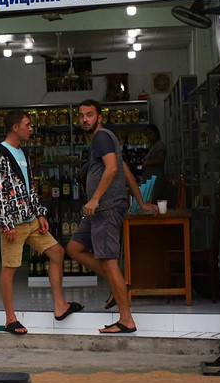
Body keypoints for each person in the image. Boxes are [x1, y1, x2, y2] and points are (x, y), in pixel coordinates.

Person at [0, 109, 84, 335]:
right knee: (9, 268)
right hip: (13, 223)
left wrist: (40, 213)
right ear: (15, 127)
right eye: (28, 125)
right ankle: (10, 319)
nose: (31, 129)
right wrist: (5, 223)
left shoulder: (22, 153)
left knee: (57, 252)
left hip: (31, 220)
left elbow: (30, 188)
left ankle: (60, 306)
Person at [66, 99, 158, 334]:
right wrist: (140, 201)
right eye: (81, 115)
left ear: (99, 117)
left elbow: (113, 169)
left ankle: (126, 319)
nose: (84, 119)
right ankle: (120, 284)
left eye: (89, 114)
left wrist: (95, 198)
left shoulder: (102, 137)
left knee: (108, 260)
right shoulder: (104, 139)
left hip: (105, 208)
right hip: (99, 210)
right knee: (74, 248)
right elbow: (125, 168)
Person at [140, 124, 166, 202]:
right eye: (146, 134)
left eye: (150, 133)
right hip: (150, 180)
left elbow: (161, 159)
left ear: (156, 133)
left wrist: (147, 163)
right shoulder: (152, 146)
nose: (148, 136)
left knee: (152, 201)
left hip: (155, 180)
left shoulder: (160, 145)